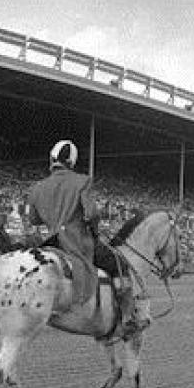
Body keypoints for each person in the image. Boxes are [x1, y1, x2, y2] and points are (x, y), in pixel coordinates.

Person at [27, 139, 137, 334]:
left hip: (52, 243)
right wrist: (93, 229)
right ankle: (128, 316)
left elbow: (33, 219)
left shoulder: (37, 188)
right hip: (77, 242)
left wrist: (54, 216)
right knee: (119, 263)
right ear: (72, 161)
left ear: (52, 159)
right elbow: (92, 214)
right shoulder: (82, 181)